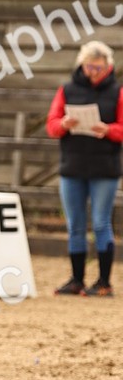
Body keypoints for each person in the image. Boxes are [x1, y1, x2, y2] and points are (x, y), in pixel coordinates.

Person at [46, 40, 123, 296]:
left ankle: (104, 282)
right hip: (73, 166)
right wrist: (65, 124)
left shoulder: (118, 92)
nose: (94, 72)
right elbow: (52, 125)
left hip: (104, 168)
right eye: (91, 67)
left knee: (101, 224)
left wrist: (109, 130)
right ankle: (77, 279)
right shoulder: (67, 90)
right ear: (83, 65)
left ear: (108, 67)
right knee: (75, 225)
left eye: (99, 68)